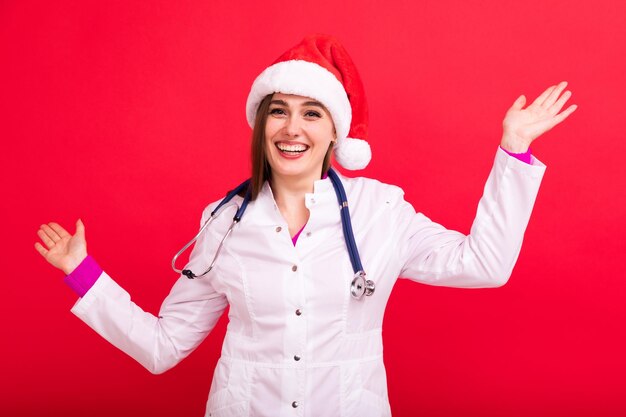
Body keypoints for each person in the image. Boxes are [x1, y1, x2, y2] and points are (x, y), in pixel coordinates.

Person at [35, 34, 576, 417]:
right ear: (260, 122)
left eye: (312, 113)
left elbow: (484, 265)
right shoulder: (224, 223)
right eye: (279, 110)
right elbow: (163, 346)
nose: (292, 128)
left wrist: (515, 152)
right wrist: (82, 274)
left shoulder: (381, 212)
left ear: (335, 131)